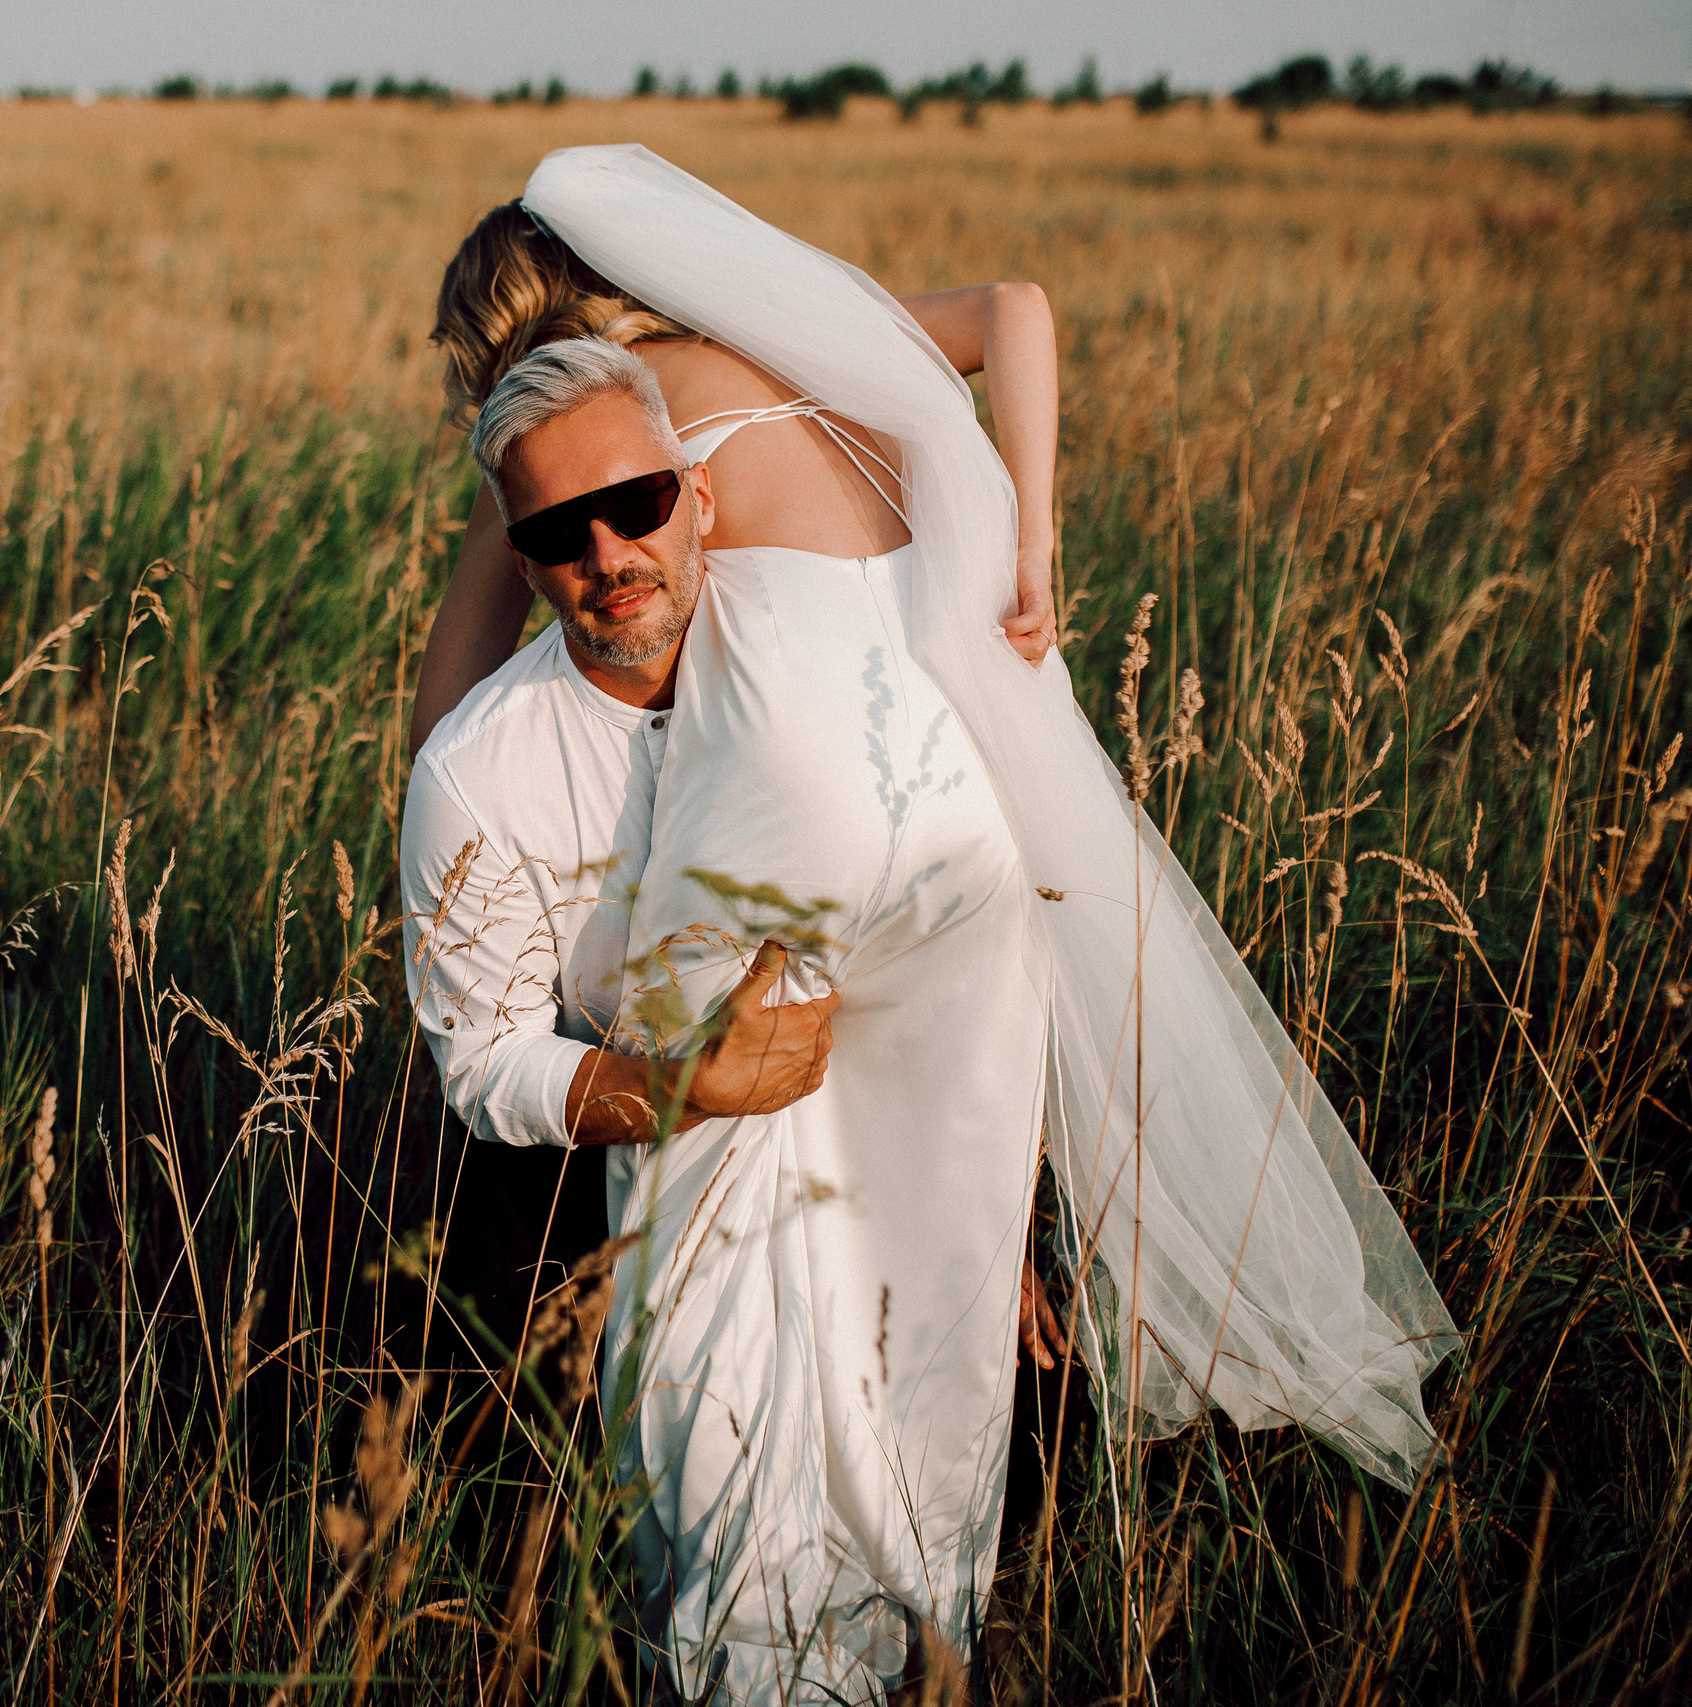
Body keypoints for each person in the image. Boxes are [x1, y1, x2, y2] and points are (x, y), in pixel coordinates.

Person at [401, 146, 1458, 1702]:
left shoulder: (621, 421)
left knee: (722, 1209)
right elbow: (1017, 306)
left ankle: (760, 1644)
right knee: (944, 1274)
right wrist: (1028, 539)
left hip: (803, 817)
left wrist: (442, 791)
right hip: (968, 825)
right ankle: (936, 1622)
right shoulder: (792, 352)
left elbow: (451, 694)